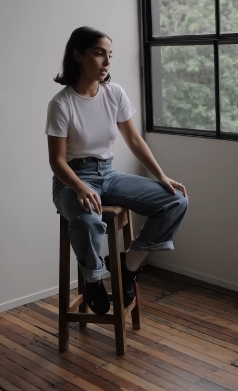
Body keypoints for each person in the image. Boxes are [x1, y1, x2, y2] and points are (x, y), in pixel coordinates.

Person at [46, 26, 189, 315]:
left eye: (109, 55)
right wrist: (79, 187)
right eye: (99, 54)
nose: (107, 62)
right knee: (88, 221)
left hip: (109, 174)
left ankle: (128, 265)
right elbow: (57, 161)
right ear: (77, 55)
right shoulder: (61, 104)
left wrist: (160, 175)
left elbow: (134, 140)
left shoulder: (114, 93)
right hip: (72, 180)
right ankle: (94, 279)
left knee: (176, 200)